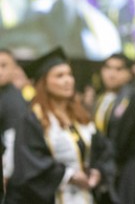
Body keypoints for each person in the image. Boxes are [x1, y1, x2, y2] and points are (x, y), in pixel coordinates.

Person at [6, 47, 116, 204]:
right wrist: (69, 175)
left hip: (85, 197)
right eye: (59, 76)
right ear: (44, 82)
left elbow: (104, 150)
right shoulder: (32, 119)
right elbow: (30, 165)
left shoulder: (81, 117)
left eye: (69, 74)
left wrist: (99, 172)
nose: (68, 80)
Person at [94, 53, 135, 203]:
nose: (111, 74)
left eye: (118, 69)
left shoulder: (133, 98)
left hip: (123, 171)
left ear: (130, 73)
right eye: (108, 68)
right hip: (102, 170)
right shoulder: (100, 98)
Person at [0, 49, 29, 191]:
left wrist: (6, 173)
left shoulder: (13, 99)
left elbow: (13, 138)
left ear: (15, 69)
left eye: (4, 65)